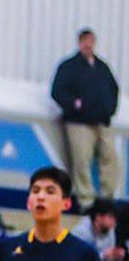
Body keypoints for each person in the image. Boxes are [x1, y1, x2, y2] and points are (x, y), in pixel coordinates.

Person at [52, 29, 121, 207]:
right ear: (79, 42)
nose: (88, 44)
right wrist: (75, 105)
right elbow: (57, 91)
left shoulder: (102, 67)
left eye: (90, 40)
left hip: (102, 121)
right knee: (81, 161)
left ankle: (106, 201)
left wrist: (109, 109)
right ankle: (86, 202)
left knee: (110, 159)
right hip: (79, 123)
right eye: (84, 40)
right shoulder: (69, 66)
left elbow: (114, 89)